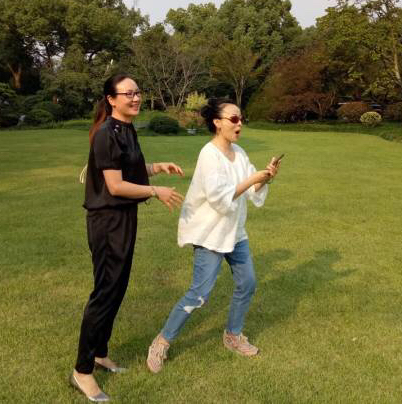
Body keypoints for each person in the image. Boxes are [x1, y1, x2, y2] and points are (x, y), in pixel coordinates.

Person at [71, 74, 185, 402]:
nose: (135, 98)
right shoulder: (106, 133)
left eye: (137, 92)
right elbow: (115, 185)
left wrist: (157, 167)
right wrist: (155, 191)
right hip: (107, 221)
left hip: (124, 218)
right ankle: (82, 372)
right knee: (105, 292)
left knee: (117, 288)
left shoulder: (126, 129)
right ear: (111, 99)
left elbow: (129, 169)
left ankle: (99, 353)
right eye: (128, 94)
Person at [146, 98, 281, 373]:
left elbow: (251, 190)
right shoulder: (209, 155)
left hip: (235, 233)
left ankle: (233, 335)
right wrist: (253, 179)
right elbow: (220, 198)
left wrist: (265, 177)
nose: (240, 123)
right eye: (234, 119)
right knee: (199, 294)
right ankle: (161, 342)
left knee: (248, 282)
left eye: (241, 118)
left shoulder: (239, 152)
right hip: (210, 234)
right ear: (217, 123)